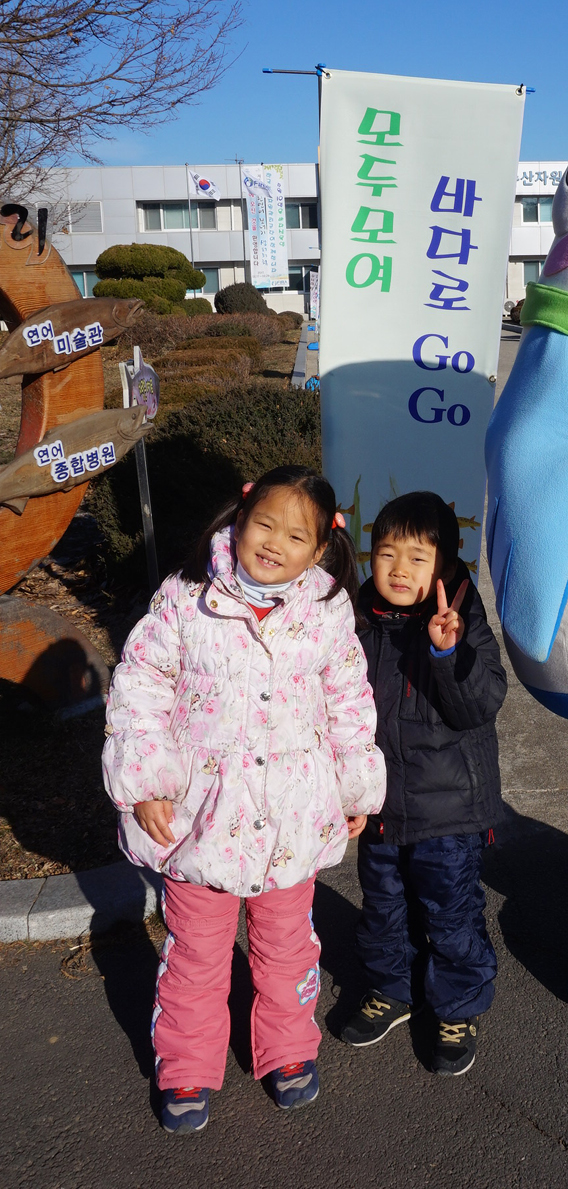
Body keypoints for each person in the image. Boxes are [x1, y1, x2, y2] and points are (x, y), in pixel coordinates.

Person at [102, 465, 385, 1134]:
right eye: (265, 524)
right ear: (239, 517)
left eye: (296, 535)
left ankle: (288, 1049)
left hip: (291, 813)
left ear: (318, 550)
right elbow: (140, 684)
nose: (274, 543)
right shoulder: (186, 595)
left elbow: (349, 700)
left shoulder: (325, 608)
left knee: (288, 945)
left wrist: (356, 784)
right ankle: (186, 1065)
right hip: (201, 816)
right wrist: (145, 780)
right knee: (196, 952)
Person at [342, 491, 507, 1076]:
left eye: (417, 557)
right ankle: (394, 990)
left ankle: (456, 1005)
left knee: (450, 911)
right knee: (383, 906)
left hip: (450, 812)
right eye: (386, 554)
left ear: (444, 562)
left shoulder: (460, 616)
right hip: (383, 806)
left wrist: (448, 652)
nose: (399, 570)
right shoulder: (358, 617)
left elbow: (481, 703)